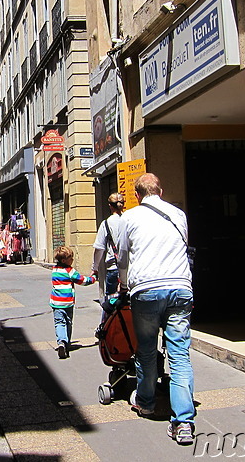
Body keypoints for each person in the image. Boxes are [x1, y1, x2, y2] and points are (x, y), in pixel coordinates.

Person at [115, 172, 195, 445]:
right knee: (180, 355)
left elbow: (123, 257)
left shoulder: (129, 218)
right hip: (180, 288)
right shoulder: (178, 214)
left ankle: (147, 402)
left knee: (146, 350)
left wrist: (123, 285)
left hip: (146, 290)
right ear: (160, 191)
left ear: (137, 195)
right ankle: (183, 422)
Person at [49, 245, 96, 359]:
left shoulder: (54, 270)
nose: (73, 260)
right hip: (68, 303)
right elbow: (82, 281)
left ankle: (61, 342)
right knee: (68, 322)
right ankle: (67, 343)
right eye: (71, 258)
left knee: (59, 322)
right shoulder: (70, 271)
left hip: (56, 303)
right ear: (65, 260)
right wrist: (93, 278)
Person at [92, 193, 125, 319]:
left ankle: (105, 331)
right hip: (130, 269)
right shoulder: (129, 220)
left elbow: (99, 248)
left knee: (110, 302)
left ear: (110, 206)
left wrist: (94, 268)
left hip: (113, 269)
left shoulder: (106, 224)